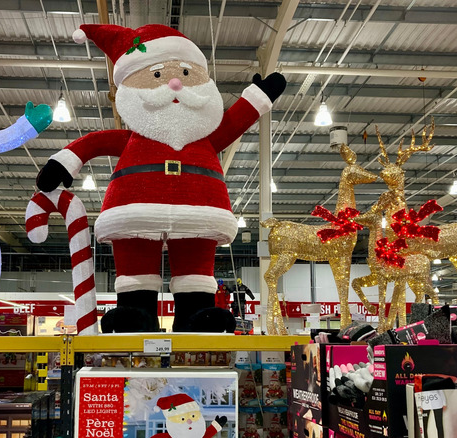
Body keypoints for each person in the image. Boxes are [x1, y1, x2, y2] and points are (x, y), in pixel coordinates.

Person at [36, 23, 286, 333]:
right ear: (130, 85)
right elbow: (94, 142)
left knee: (195, 265)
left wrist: (259, 96)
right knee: (135, 263)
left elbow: (236, 120)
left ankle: (196, 315)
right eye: (157, 75)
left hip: (198, 211)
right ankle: (135, 312)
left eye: (185, 74)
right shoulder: (133, 138)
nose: (174, 84)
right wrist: (63, 163)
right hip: (137, 208)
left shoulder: (206, 136)